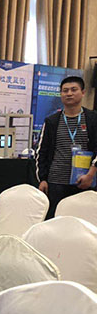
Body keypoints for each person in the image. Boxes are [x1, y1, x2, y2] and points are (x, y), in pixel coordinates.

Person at [37, 76, 97, 219]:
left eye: (73, 90)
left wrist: (90, 175)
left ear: (83, 92)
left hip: (85, 181)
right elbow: (42, 152)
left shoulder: (93, 119)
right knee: (55, 220)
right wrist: (43, 179)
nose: (69, 93)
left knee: (83, 221)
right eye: (65, 91)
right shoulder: (52, 121)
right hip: (56, 181)